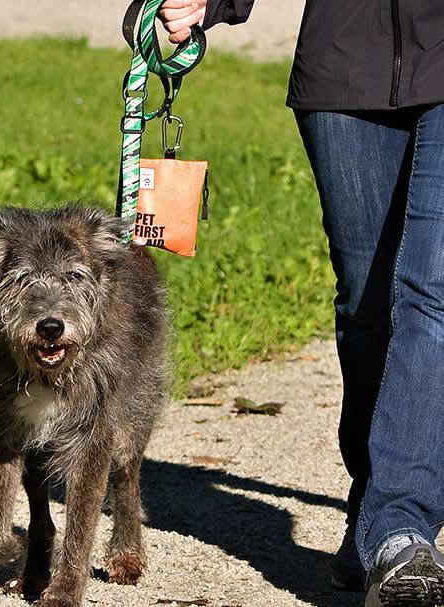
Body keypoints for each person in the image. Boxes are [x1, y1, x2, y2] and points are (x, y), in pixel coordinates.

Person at [159, 2, 444, 606]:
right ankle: (374, 513)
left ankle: (401, 530)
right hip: (347, 59)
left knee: (432, 295)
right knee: (367, 308)